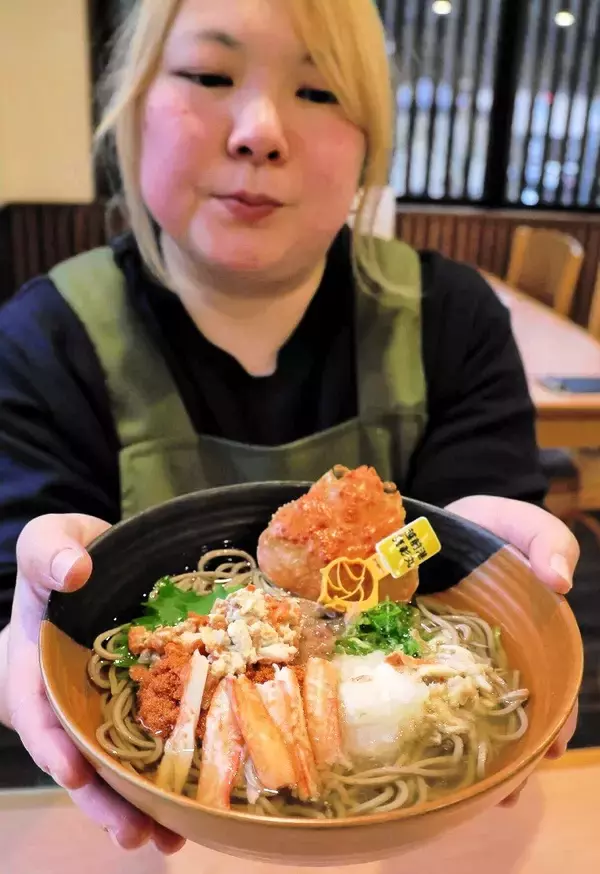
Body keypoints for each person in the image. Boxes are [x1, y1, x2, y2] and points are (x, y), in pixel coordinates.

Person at [0, 0, 579, 856]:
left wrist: (493, 561)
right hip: (111, 824)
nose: (261, 131)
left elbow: (479, 525)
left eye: (317, 89)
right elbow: (22, 592)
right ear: (128, 107)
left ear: (371, 142)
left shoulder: (453, 319)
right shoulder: (42, 340)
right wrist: (22, 619)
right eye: (209, 74)